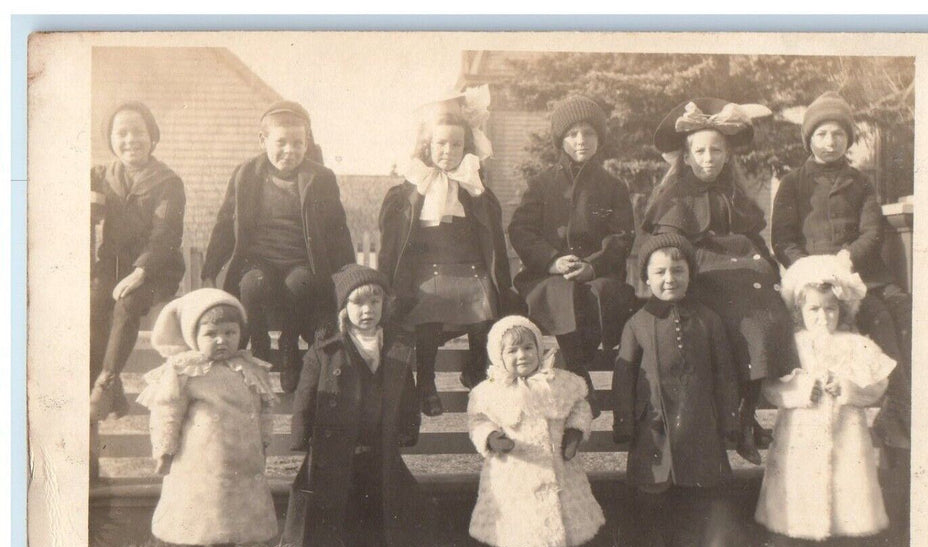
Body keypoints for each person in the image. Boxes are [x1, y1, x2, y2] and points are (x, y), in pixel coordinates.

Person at [642, 98, 798, 464]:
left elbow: (754, 236)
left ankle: (745, 418)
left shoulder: (734, 193)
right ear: (686, 155)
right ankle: (732, 419)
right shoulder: (673, 195)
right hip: (702, 269)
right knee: (736, 318)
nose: (708, 158)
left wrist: (770, 266)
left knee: (768, 318)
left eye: (716, 151)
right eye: (700, 151)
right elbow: (669, 244)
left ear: (727, 155)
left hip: (742, 268)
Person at [770, 90, 911, 453]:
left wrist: (848, 258)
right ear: (809, 139)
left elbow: (872, 231)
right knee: (849, 318)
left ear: (847, 139)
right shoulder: (793, 183)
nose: (830, 142)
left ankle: (897, 411)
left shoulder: (860, 182)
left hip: (859, 271)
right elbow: (782, 239)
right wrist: (809, 268)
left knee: (893, 311)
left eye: (838, 134)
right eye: (821, 134)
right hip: (812, 277)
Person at [754, 251, 894, 547]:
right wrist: (802, 391)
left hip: (846, 434)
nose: (822, 317)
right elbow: (771, 387)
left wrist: (847, 388)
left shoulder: (855, 344)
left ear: (842, 310)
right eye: (814, 309)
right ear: (800, 311)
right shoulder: (792, 345)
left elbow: (877, 385)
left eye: (830, 309)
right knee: (797, 489)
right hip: (800, 435)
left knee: (847, 488)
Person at [612, 234, 742, 547]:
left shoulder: (708, 319)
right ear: (646, 277)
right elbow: (623, 376)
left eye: (678, 271)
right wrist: (625, 422)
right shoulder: (637, 323)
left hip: (701, 421)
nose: (669, 279)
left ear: (690, 274)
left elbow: (725, 372)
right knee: (653, 491)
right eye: (660, 273)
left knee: (704, 490)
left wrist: (730, 419)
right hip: (654, 427)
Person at [201, 100, 356, 393]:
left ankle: (288, 347)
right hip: (260, 260)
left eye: (298, 143)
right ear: (263, 140)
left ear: (307, 142)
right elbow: (225, 223)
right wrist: (211, 267)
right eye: (281, 142)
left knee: (301, 284)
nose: (290, 150)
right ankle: (259, 345)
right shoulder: (246, 174)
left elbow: (338, 231)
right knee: (251, 285)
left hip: (300, 260)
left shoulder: (320, 177)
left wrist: (348, 276)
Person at [379, 86, 513, 417]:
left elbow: (491, 238)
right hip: (428, 270)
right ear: (428, 145)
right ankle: (426, 381)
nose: (448, 151)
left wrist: (478, 196)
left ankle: (477, 370)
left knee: (485, 313)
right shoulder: (412, 188)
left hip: (468, 268)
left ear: (466, 147)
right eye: (441, 143)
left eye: (456, 144)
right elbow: (394, 244)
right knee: (430, 312)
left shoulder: (473, 186)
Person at [282, 265, 422, 547]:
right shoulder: (327, 348)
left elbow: (405, 389)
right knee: (333, 495)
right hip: (337, 439)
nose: (367, 310)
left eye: (375, 302)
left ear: (385, 305)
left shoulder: (395, 345)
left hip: (377, 439)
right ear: (344, 308)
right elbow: (306, 394)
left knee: (374, 492)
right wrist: (301, 434)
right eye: (358, 303)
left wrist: (408, 427)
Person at [137, 289, 278, 547]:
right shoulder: (187, 370)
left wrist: (263, 440)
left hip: (237, 456)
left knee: (227, 510)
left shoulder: (247, 368)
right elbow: (168, 410)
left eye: (230, 332)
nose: (221, 340)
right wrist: (164, 448)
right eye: (211, 333)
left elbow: (262, 406)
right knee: (197, 509)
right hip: (197, 458)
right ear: (193, 337)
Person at [508, 95, 637, 417]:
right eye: (573, 134)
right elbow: (521, 229)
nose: (581, 140)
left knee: (602, 294)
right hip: (548, 275)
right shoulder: (541, 184)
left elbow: (622, 236)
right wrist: (552, 260)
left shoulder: (612, 186)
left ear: (599, 138)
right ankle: (580, 374)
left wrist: (592, 266)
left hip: (597, 274)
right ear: (561, 139)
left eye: (589, 133)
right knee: (557, 291)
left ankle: (576, 371)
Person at [467, 315, 604, 547]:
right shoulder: (489, 391)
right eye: (513, 350)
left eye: (528, 348)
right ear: (498, 355)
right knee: (508, 511)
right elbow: (478, 420)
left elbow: (579, 406)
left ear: (539, 349)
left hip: (558, 460)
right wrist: (492, 437)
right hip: (513, 466)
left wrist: (574, 433)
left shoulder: (559, 382)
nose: (522, 355)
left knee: (564, 510)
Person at [90, 101, 186, 422]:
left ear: (152, 136)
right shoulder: (102, 176)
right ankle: (111, 396)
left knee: (127, 303)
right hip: (113, 266)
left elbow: (165, 234)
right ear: (111, 139)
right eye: (122, 133)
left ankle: (105, 385)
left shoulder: (168, 181)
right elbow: (82, 215)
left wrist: (141, 271)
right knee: (92, 304)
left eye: (138, 132)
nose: (130, 140)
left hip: (156, 268)